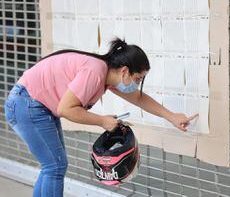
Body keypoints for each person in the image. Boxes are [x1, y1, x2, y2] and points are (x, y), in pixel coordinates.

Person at [4, 37, 198, 197]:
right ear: (124, 71)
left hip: (34, 105)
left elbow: (138, 98)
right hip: (27, 104)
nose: (137, 85)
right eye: (138, 79)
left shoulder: (106, 75)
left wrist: (171, 116)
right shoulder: (95, 71)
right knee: (55, 165)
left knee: (52, 166)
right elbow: (66, 109)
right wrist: (103, 121)